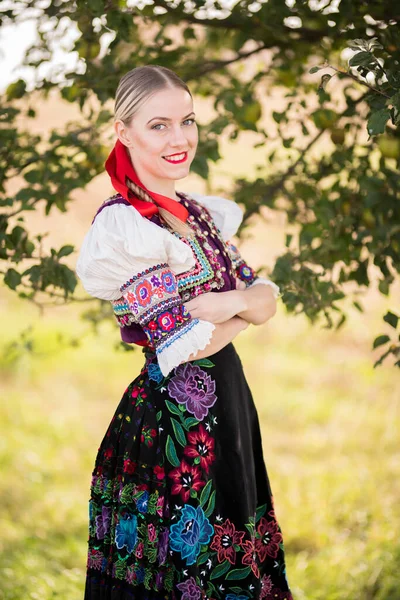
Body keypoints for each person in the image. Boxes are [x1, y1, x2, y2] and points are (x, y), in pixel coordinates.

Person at [75, 65, 293, 600]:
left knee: (239, 552)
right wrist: (241, 310)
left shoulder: (199, 213)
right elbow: (184, 343)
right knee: (185, 574)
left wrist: (227, 304)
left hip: (232, 406)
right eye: (160, 125)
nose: (180, 138)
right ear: (124, 132)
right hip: (172, 422)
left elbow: (266, 297)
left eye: (187, 121)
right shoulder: (125, 227)